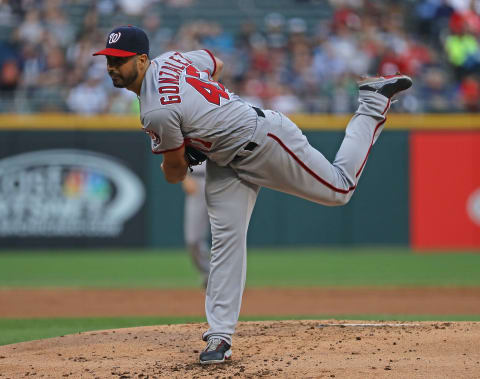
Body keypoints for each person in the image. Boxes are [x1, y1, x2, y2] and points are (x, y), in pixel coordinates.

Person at [93, 25, 412, 365]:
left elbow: (174, 172)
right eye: (109, 59)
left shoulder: (155, 110)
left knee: (340, 189)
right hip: (225, 160)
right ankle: (219, 336)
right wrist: (203, 115)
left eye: (120, 60)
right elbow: (215, 63)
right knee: (226, 243)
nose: (113, 66)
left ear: (142, 60)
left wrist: (188, 145)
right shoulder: (172, 59)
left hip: (263, 141)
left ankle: (372, 102)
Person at [181, 164, 211, 287]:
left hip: (223, 179)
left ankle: (227, 277)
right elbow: (178, 151)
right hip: (196, 179)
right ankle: (208, 273)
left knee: (229, 235)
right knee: (192, 239)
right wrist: (184, 177)